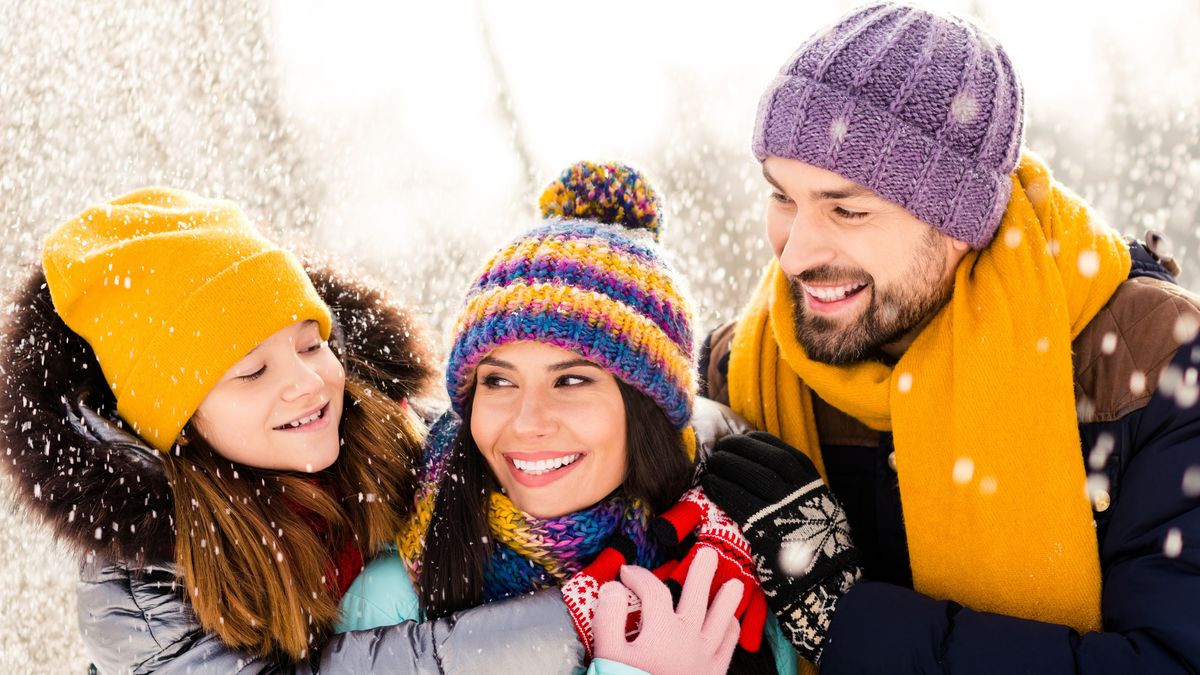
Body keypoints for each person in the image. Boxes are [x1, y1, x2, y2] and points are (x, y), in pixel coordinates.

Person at [695, 2, 1200, 673]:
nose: (793, 254)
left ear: (961, 221)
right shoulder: (748, 368)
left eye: (846, 208)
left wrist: (848, 617)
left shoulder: (1157, 366)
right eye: (783, 197)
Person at [0, 187, 595, 673]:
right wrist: (575, 626)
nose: (309, 383)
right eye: (252, 372)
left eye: (311, 344)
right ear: (178, 425)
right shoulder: (139, 597)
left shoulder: (407, 443)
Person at [339, 161, 798, 675]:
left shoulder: (728, 560)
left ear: (647, 408)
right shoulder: (390, 598)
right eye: (498, 381)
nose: (528, 422)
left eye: (572, 381)